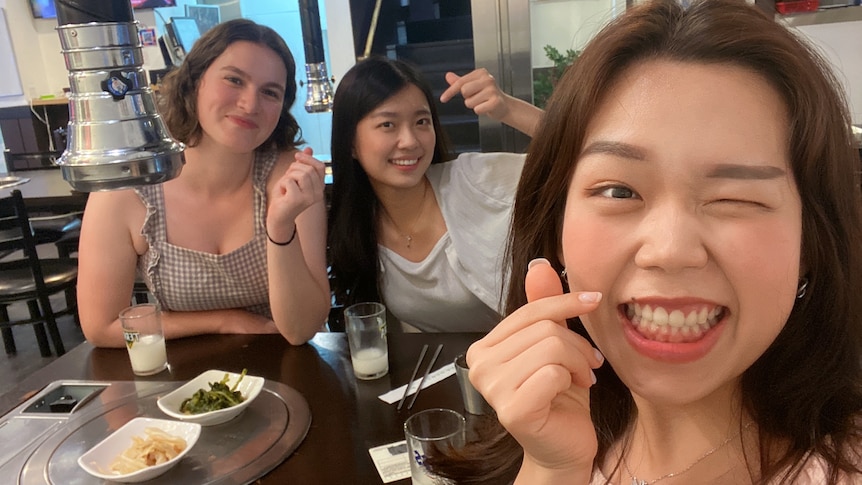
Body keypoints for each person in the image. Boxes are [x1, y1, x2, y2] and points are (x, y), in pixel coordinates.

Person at [431, 0, 862, 483]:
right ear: (555, 230)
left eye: (735, 198)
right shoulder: (540, 440)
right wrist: (551, 467)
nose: (670, 250)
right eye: (619, 190)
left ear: (811, 245)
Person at [77, 19, 330, 348]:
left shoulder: (288, 178)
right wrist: (223, 320)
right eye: (234, 80)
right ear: (194, 82)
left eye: (270, 92)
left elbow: (301, 330)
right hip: (182, 384)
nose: (250, 104)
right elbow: (101, 326)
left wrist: (280, 227)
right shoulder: (130, 188)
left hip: (287, 369)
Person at [327, 56, 543, 332]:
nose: (410, 141)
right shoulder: (357, 230)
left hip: (532, 357)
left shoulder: (470, 179)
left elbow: (581, 152)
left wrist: (509, 109)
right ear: (351, 144)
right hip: (447, 371)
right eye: (388, 125)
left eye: (421, 122)